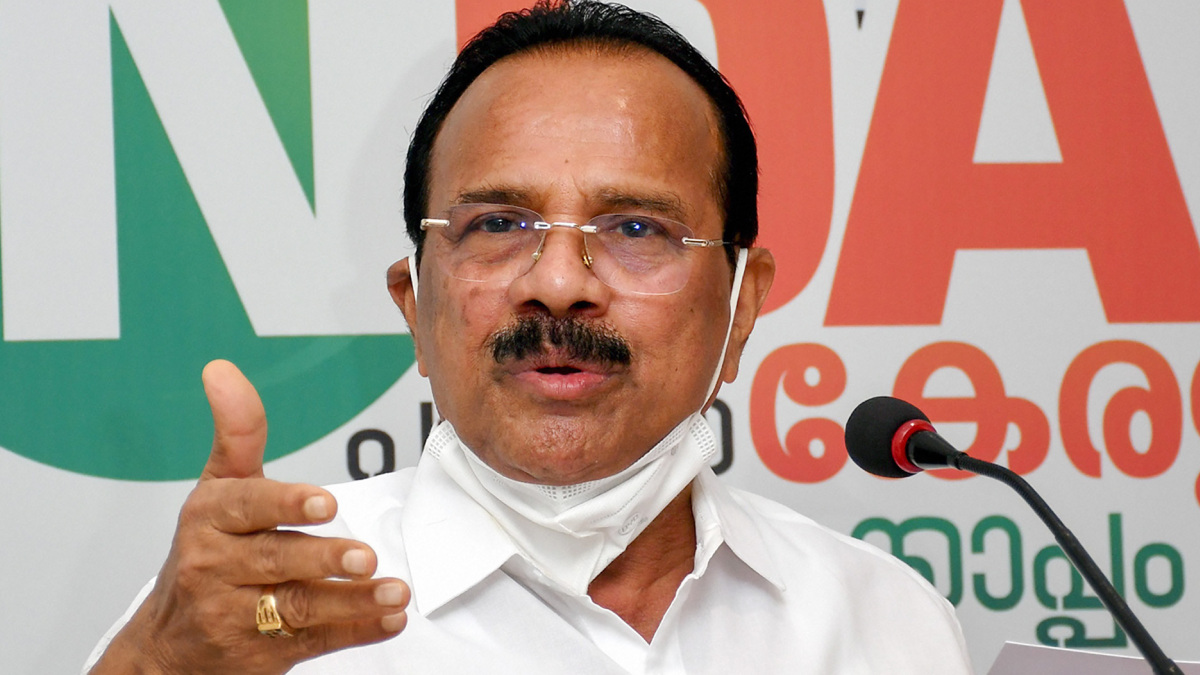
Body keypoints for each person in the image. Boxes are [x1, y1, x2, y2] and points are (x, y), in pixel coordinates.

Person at [87, 2, 974, 673]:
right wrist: (157, 665)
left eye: (635, 228)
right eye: (499, 224)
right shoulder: (256, 613)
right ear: (415, 307)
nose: (557, 282)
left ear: (741, 308)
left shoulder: (887, 621)